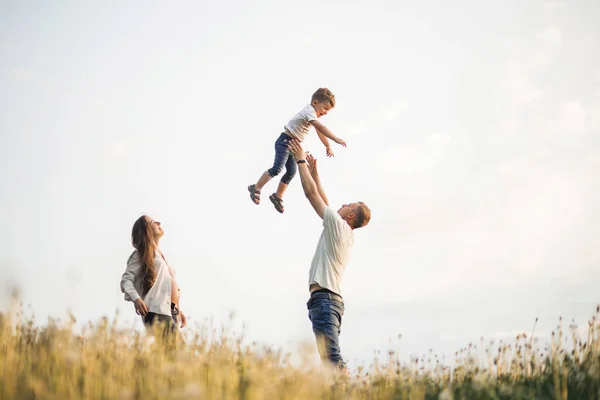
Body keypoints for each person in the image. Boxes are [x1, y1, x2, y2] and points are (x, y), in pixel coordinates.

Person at [287, 138, 371, 372]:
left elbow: (311, 195)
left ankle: (347, 392)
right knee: (330, 357)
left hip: (325, 300)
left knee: (331, 359)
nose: (342, 204)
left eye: (349, 204)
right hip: (330, 301)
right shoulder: (344, 232)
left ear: (351, 216)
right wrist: (316, 174)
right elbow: (324, 200)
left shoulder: (339, 226)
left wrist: (300, 159)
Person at [247, 88, 347, 213]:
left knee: (291, 172)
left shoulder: (313, 117)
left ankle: (277, 196)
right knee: (277, 169)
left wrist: (327, 146)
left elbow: (320, 132)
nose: (326, 112)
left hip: (294, 146)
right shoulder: (309, 111)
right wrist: (335, 139)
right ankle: (256, 187)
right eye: (325, 108)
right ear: (315, 102)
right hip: (285, 141)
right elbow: (322, 127)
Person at [120, 215, 187, 340]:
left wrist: (178, 309)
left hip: (170, 312)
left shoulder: (163, 256)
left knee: (170, 355)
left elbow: (167, 286)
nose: (159, 222)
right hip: (157, 311)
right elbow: (126, 280)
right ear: (146, 230)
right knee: (178, 351)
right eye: (153, 222)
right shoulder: (141, 254)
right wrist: (137, 299)